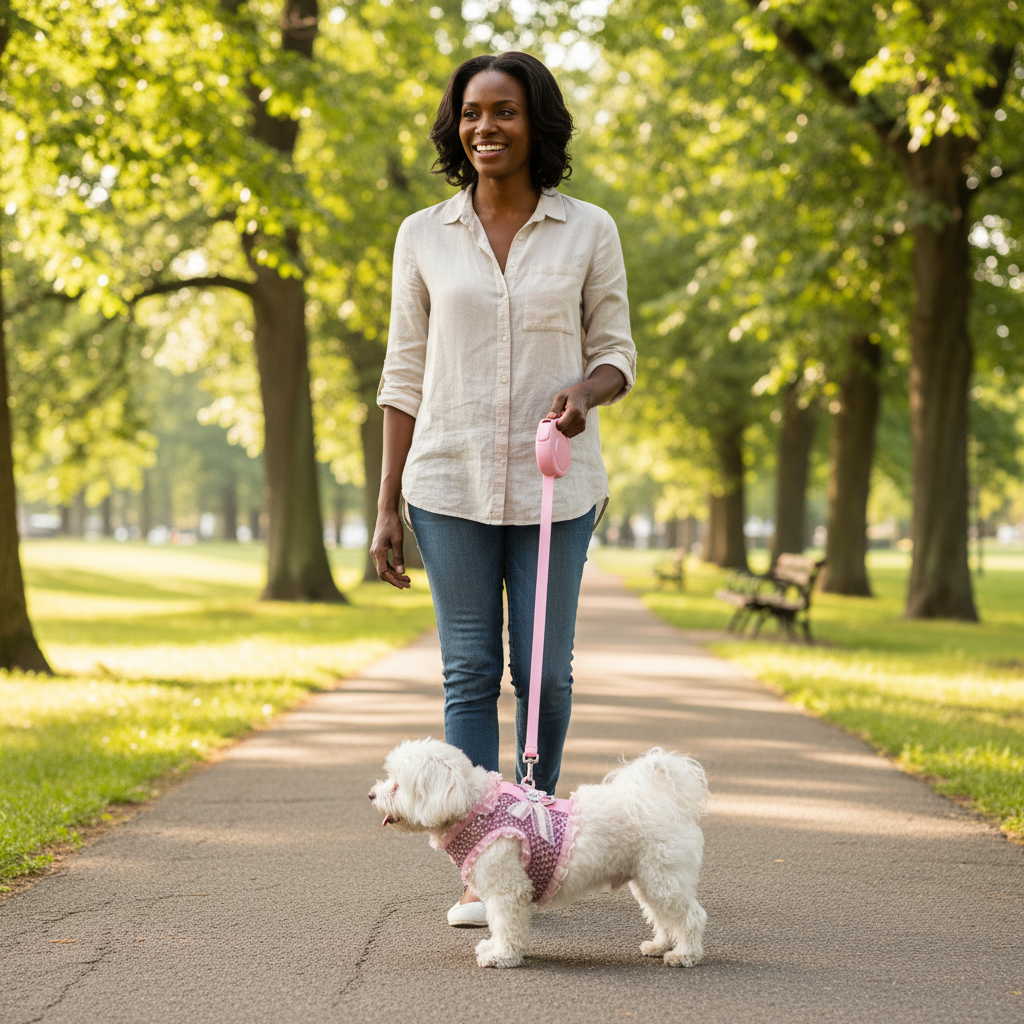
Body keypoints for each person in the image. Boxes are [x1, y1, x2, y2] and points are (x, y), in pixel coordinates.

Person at [370, 51, 635, 927]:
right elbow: (402, 372)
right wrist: (385, 506)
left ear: (536, 123)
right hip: (445, 478)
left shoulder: (588, 227)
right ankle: (484, 865)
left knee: (547, 676)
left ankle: (533, 833)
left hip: (556, 485)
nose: (487, 127)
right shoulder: (422, 234)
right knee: (470, 669)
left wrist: (586, 394)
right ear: (458, 126)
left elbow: (616, 352)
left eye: (506, 112)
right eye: (473, 113)